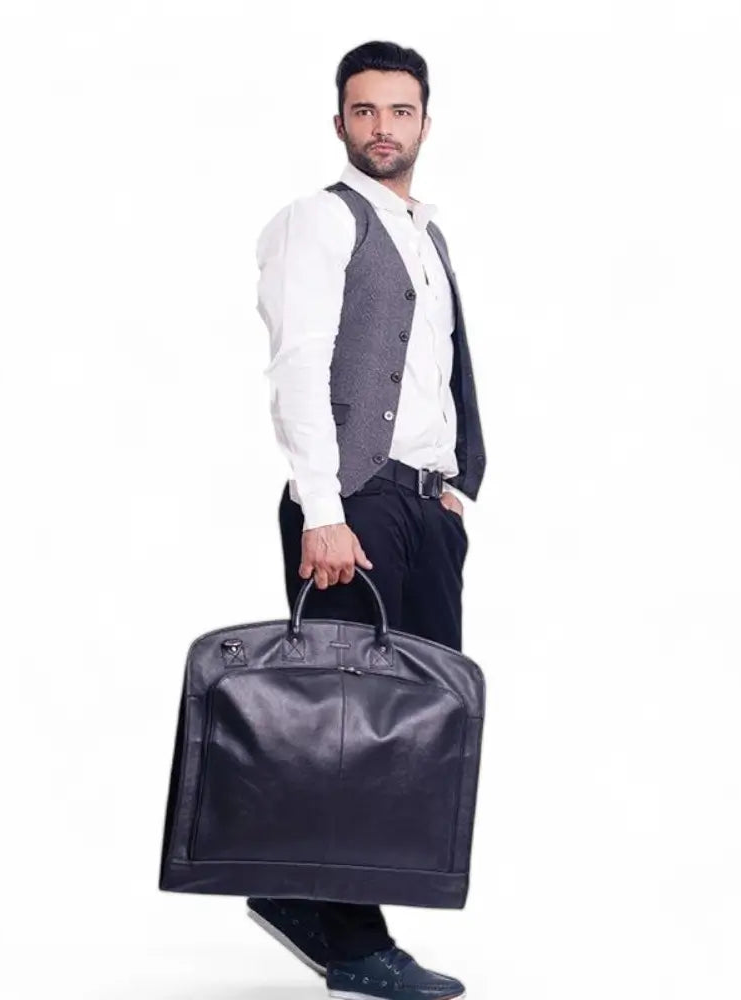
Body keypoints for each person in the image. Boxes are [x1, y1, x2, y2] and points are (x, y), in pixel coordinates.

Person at [247, 39, 487, 1000]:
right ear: (339, 122)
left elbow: (433, 374)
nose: (383, 128)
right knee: (347, 726)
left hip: (425, 507)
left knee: (414, 723)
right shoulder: (319, 221)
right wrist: (324, 508)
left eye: (400, 111)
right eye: (364, 111)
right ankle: (346, 937)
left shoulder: (427, 234)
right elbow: (299, 367)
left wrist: (453, 485)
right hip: (356, 506)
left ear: (427, 119)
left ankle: (313, 900)